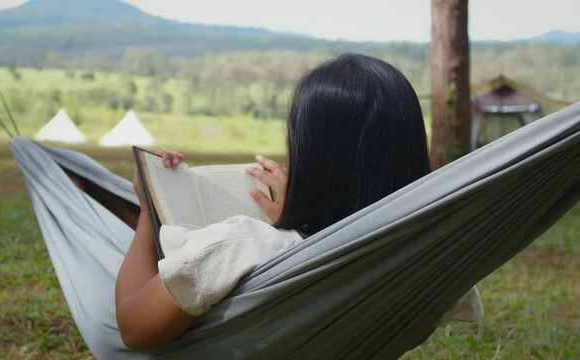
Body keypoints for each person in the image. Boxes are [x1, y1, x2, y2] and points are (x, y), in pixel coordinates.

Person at [114, 54, 483, 349]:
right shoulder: (435, 260)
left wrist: (149, 208)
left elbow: (132, 329)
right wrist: (300, 222)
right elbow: (413, 334)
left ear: (311, 159)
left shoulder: (238, 247)